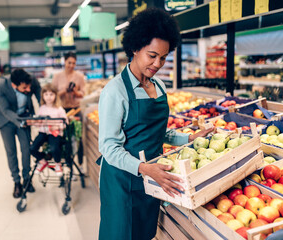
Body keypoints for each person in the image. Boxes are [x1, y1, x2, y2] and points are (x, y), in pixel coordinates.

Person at [97, 8, 214, 240]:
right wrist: (143, 168)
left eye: (164, 57)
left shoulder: (158, 86)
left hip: (152, 179)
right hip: (122, 181)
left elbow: (158, 131)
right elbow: (109, 147)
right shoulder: (115, 92)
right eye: (152, 55)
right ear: (135, 48)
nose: (158, 63)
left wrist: (188, 138)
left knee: (144, 233)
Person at [0, 68, 41, 198]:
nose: (28, 90)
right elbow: (5, 109)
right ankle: (16, 182)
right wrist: (20, 122)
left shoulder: (31, 80)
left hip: (24, 116)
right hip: (5, 120)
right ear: (14, 85)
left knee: (26, 149)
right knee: (11, 151)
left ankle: (27, 179)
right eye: (24, 88)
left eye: (28, 87)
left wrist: (43, 111)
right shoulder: (0, 86)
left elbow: (38, 92)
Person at [52, 52, 86, 166]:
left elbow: (83, 93)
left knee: (78, 137)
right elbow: (53, 93)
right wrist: (65, 91)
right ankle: (69, 164)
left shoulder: (79, 76)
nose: (71, 65)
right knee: (65, 139)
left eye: (74, 63)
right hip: (62, 112)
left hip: (76, 110)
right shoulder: (57, 76)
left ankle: (80, 164)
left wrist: (75, 92)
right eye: (69, 62)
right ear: (65, 62)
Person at [30, 83, 68, 176]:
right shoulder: (42, 108)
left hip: (54, 133)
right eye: (46, 94)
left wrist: (58, 126)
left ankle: (57, 164)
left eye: (51, 94)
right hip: (43, 132)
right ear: (42, 96)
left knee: (54, 148)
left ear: (56, 95)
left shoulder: (59, 109)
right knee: (32, 148)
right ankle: (42, 161)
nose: (49, 97)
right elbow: (40, 121)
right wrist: (36, 122)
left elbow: (65, 122)